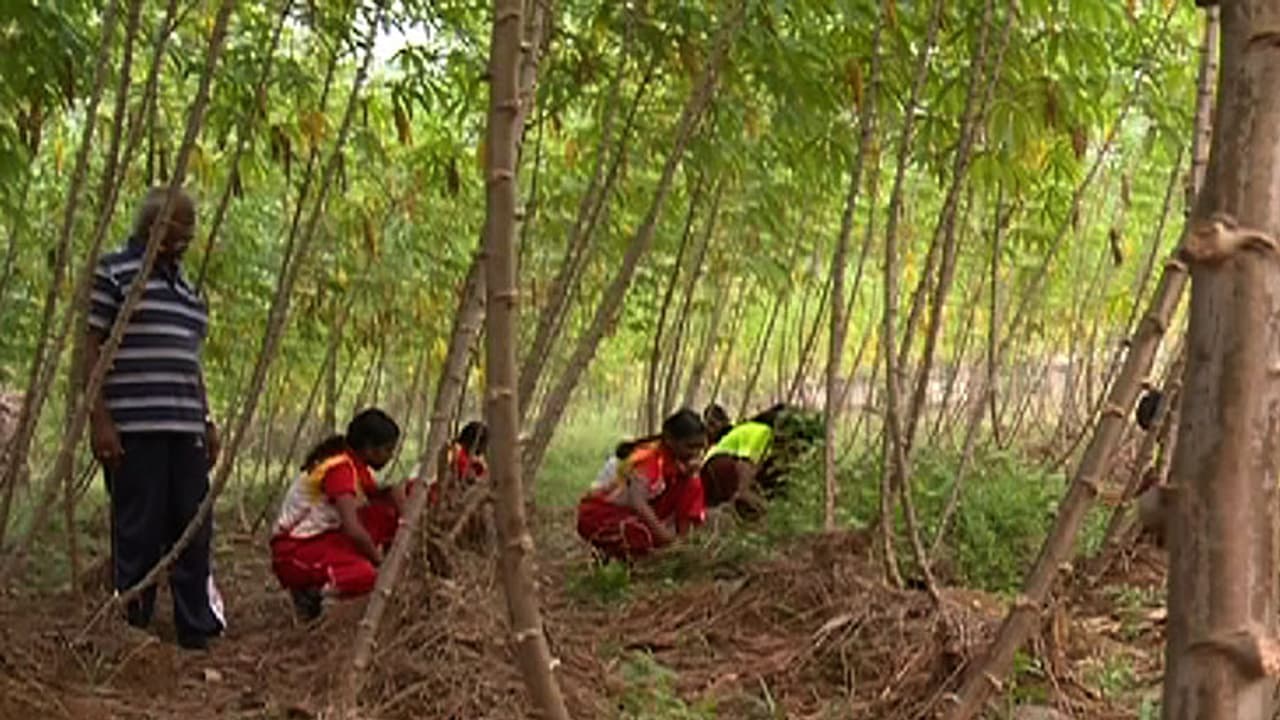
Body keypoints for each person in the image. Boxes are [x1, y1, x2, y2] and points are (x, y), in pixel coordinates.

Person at [86, 187, 225, 651]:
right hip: (134, 427)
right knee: (138, 528)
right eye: (177, 229)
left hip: (184, 427)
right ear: (152, 227)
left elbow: (190, 362)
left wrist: (206, 420)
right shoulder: (114, 272)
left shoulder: (188, 291)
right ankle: (132, 628)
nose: (185, 239)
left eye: (190, 231)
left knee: (192, 526)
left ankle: (195, 627)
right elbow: (90, 348)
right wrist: (100, 419)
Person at [270, 408, 406, 621]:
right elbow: (353, 529)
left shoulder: (354, 464)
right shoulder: (340, 469)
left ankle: (347, 573)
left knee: (384, 514)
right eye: (388, 450)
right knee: (368, 577)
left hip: (321, 539)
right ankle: (315, 594)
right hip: (294, 551)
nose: (390, 457)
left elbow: (380, 500)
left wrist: (398, 497)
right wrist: (381, 563)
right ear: (369, 448)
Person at [577, 409, 708, 561]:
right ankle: (612, 554)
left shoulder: (680, 463)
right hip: (603, 514)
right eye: (690, 447)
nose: (696, 453)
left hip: (636, 516)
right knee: (639, 536)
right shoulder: (649, 458)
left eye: (700, 447)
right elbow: (637, 502)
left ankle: (682, 544)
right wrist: (666, 538)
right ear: (670, 440)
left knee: (693, 482)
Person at [699, 404, 785, 509]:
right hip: (714, 469)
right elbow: (746, 463)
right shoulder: (763, 431)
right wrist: (744, 493)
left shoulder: (750, 429)